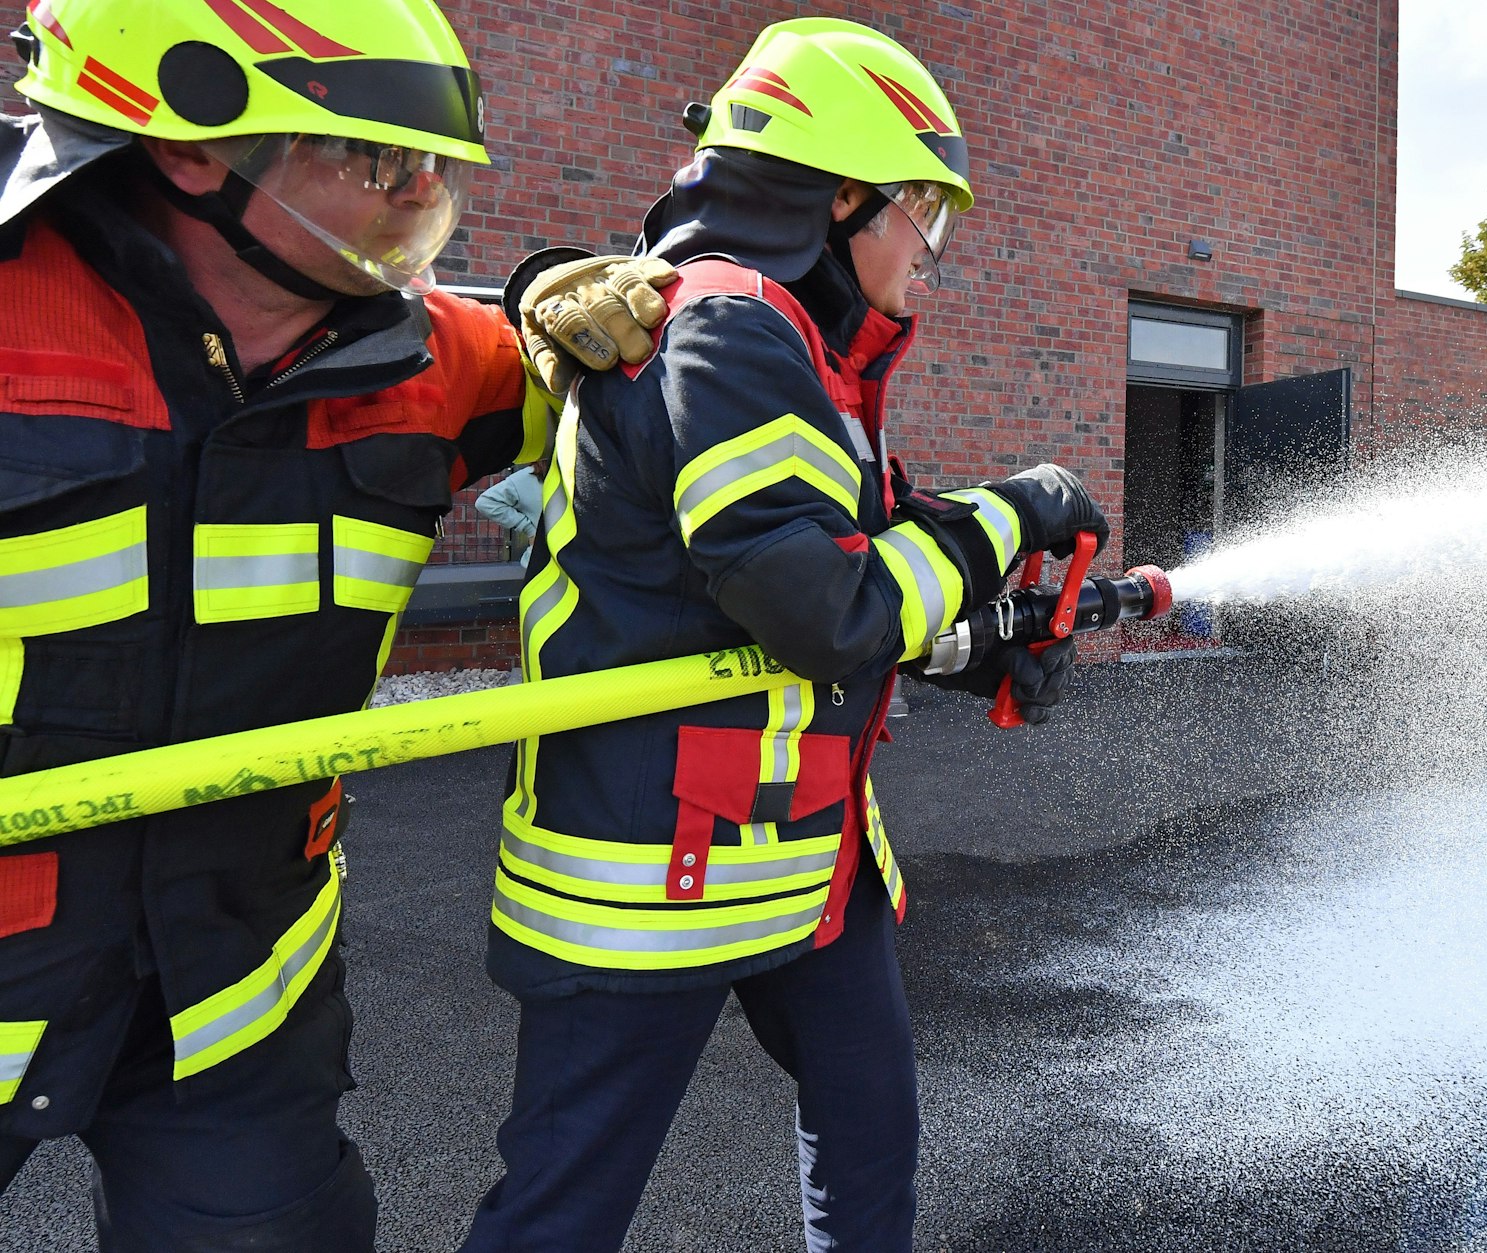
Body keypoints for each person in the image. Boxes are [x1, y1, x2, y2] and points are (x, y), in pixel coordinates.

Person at [0, 1, 664, 1247]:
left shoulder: (432, 361)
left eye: (436, 162)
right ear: (193, 150)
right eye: (372, 157)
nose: (419, 191)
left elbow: (591, 372)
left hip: (237, 987)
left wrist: (552, 295)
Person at [462, 17, 1109, 1253]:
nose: (935, 249)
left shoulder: (791, 343)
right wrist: (1010, 510)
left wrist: (973, 643)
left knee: (869, 1136)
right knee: (563, 1204)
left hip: (793, 849)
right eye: (924, 209)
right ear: (837, 197)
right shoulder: (735, 330)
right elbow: (824, 607)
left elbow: (835, 573)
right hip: (648, 872)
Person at [476, 459, 550, 566]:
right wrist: (529, 529)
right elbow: (485, 502)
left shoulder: (577, 474)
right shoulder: (527, 477)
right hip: (543, 563)